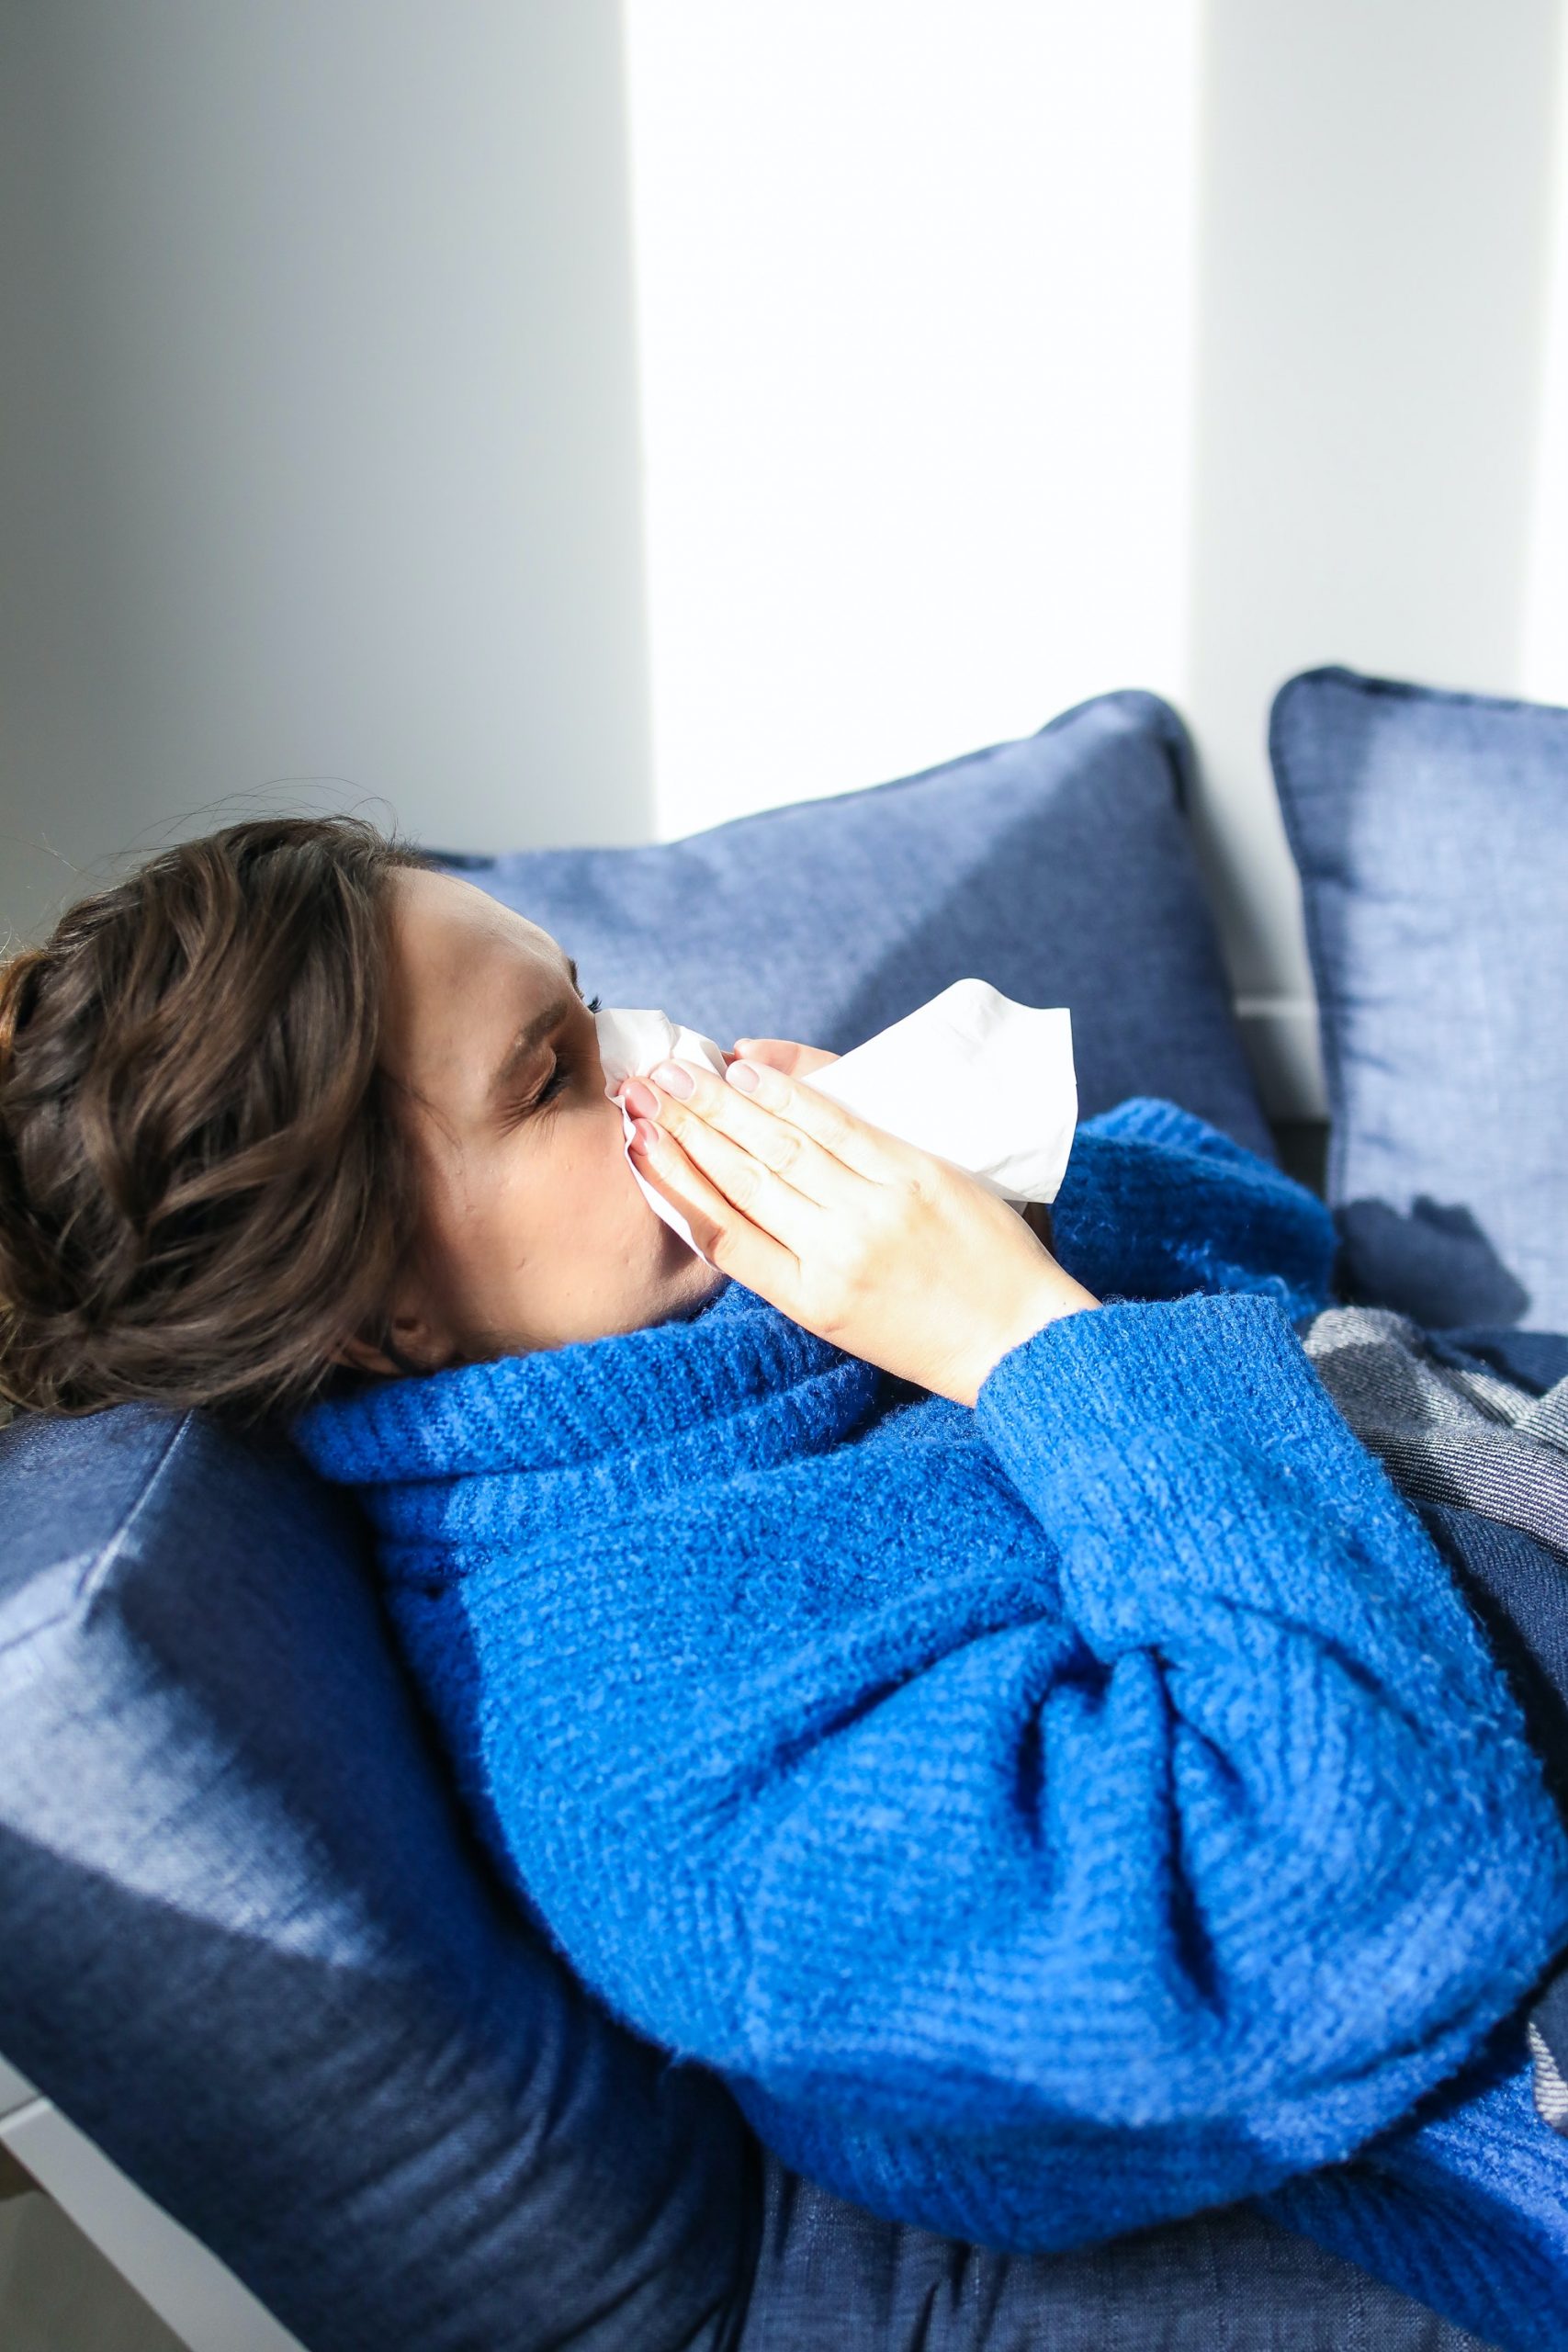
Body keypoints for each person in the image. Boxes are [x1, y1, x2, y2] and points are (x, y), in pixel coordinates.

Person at [3, 816, 1567, 2352]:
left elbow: (1283, 1249)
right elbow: (1361, 1886)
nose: (664, 1055)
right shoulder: (641, 1742)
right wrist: (1023, 1347)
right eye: (556, 1074)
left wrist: (998, 1211)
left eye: (594, 997)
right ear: (376, 1309)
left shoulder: (759, 1325)